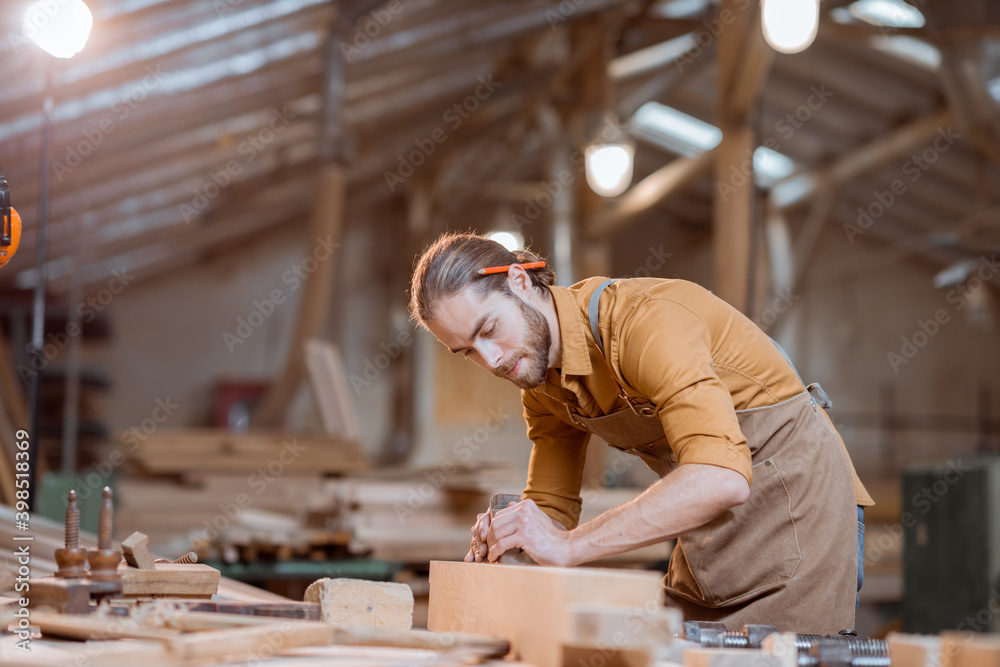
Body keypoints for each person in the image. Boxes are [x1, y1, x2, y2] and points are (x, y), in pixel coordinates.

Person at [408, 232, 873, 633]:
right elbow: (551, 510)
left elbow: (720, 477)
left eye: (488, 329)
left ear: (520, 280)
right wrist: (510, 541)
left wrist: (569, 546)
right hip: (712, 533)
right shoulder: (540, 386)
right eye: (466, 351)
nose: (490, 361)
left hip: (799, 508)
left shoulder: (644, 323)